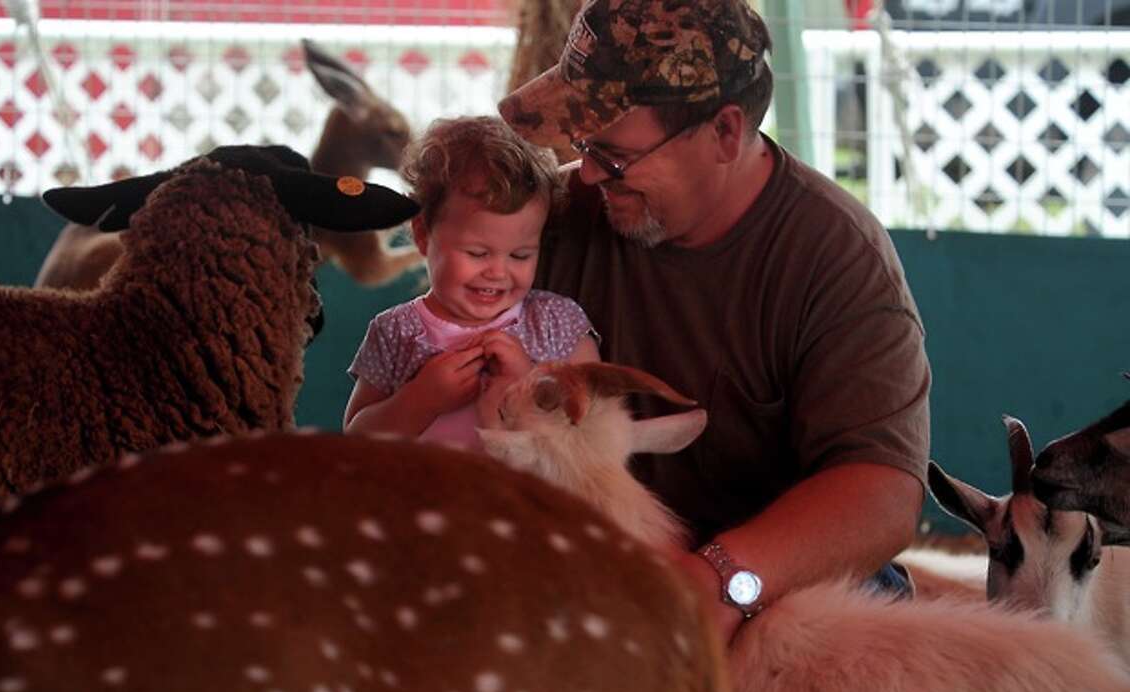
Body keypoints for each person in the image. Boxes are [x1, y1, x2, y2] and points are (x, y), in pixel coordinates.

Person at [498, 0, 931, 643]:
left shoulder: (835, 256)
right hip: (589, 562)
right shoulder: (548, 226)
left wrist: (720, 579)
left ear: (726, 132)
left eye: (613, 155)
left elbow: (881, 492)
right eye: (583, 146)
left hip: (772, 580)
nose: (587, 173)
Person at [343, 116, 601, 449]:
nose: (498, 272)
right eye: (478, 253)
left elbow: (594, 427)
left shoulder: (556, 322)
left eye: (520, 255)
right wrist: (419, 400)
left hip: (526, 499)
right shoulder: (395, 332)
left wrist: (529, 384)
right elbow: (356, 440)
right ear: (423, 235)